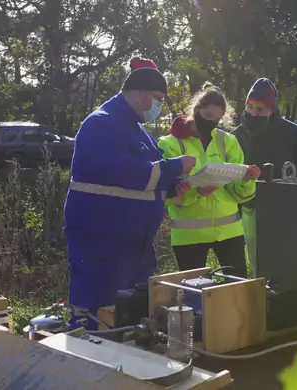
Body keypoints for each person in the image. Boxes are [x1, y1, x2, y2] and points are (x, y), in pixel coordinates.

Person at [64, 57, 195, 329]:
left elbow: (146, 180)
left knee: (130, 316)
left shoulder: (137, 130)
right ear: (141, 94)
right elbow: (126, 173)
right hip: (103, 242)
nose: (158, 107)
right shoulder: (101, 124)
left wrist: (171, 186)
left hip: (134, 246)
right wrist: (174, 167)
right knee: (96, 316)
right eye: (157, 99)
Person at [158, 82, 261, 278]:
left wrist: (247, 179)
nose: (212, 122)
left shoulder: (228, 141)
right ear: (196, 110)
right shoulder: (168, 144)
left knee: (236, 291)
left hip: (229, 233)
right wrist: (196, 193)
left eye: (217, 119)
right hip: (189, 236)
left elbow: (240, 195)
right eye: (207, 117)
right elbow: (167, 195)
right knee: (194, 297)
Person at [231, 77, 297, 275]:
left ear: (271, 109)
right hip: (250, 206)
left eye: (260, 109)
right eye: (250, 107)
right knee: (256, 258)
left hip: (286, 206)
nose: (253, 113)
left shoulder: (293, 133)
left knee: (288, 259)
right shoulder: (235, 136)